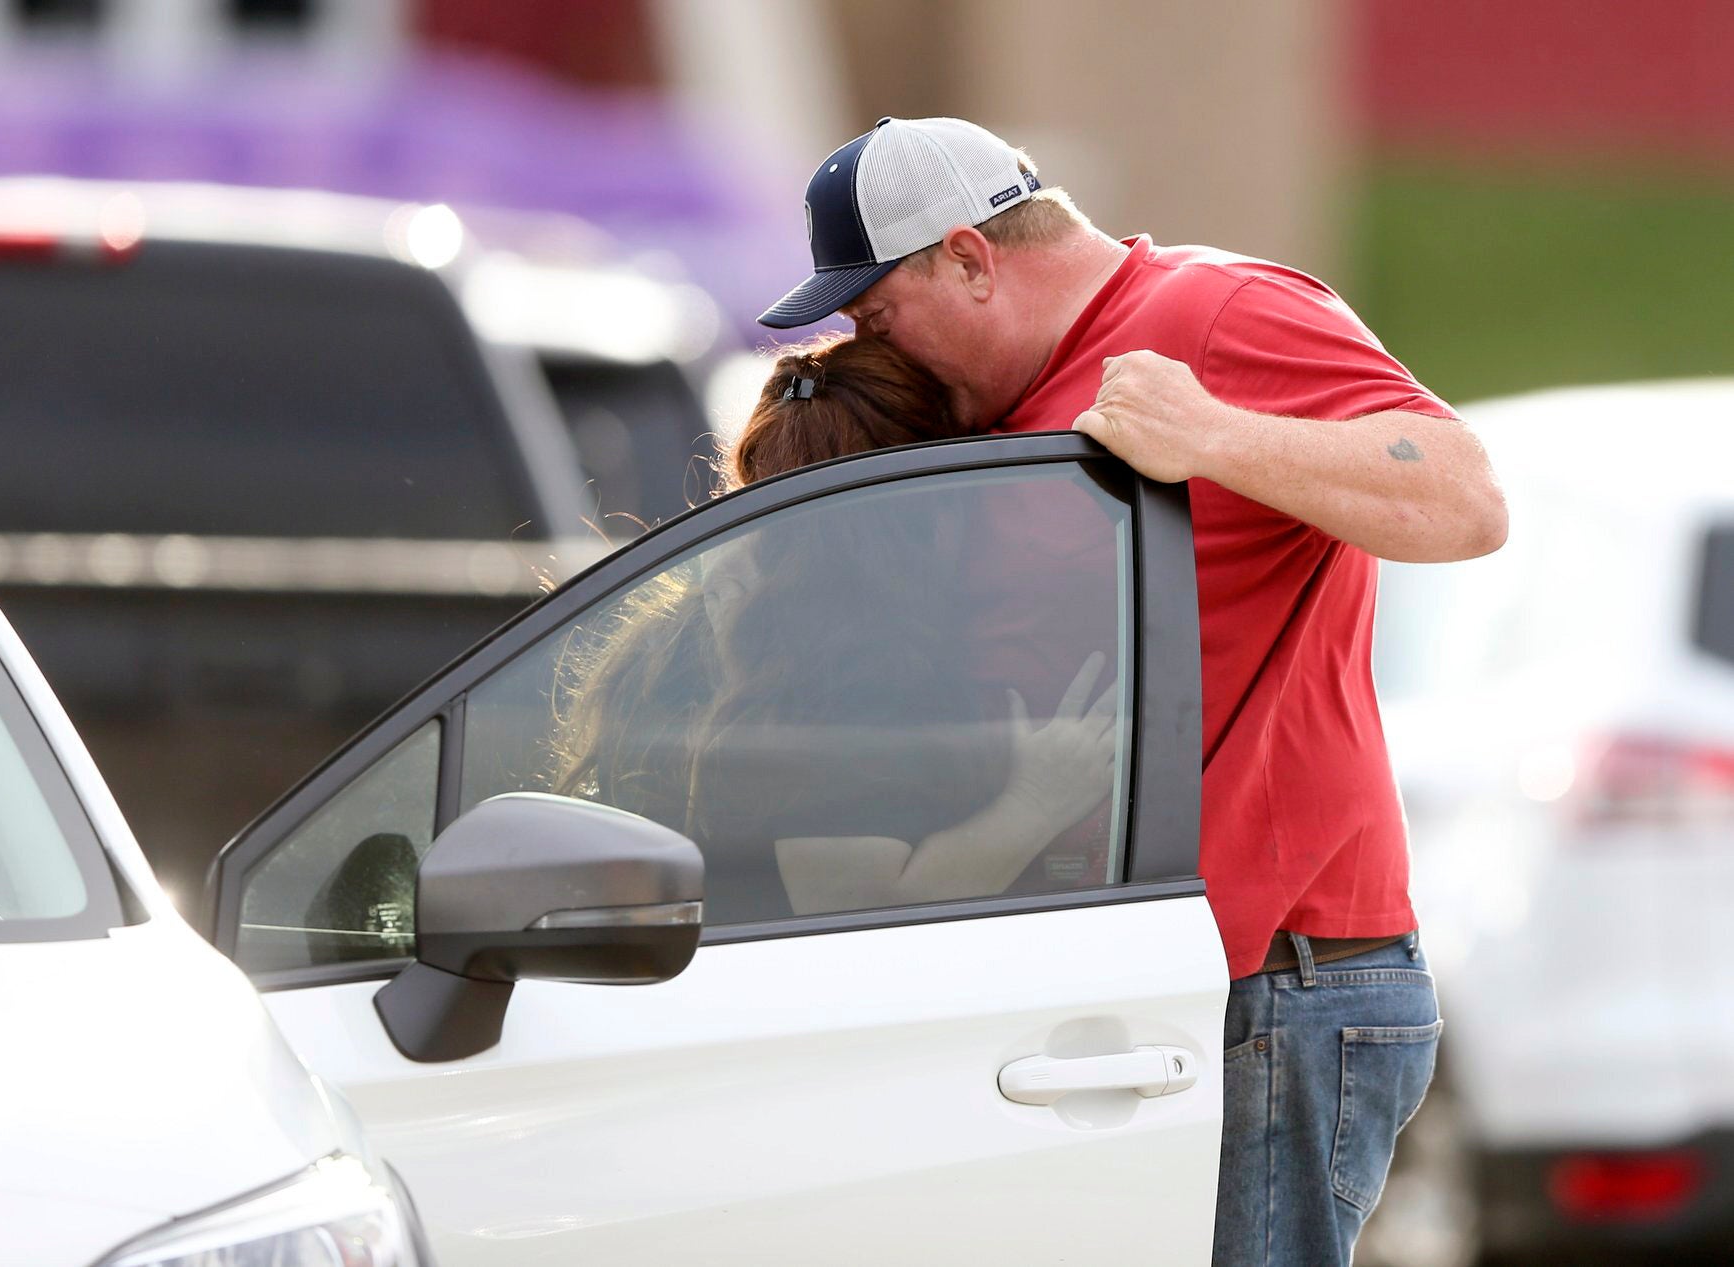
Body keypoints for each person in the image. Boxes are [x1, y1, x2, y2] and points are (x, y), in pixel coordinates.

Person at [758, 116, 1508, 1264]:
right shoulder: (999, 397)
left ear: (968, 258)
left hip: (1272, 986)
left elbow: (1464, 500)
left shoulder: (1219, 314)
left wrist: (1214, 434)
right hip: (1133, 991)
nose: (876, 345)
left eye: (875, 314)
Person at [549, 334, 1120, 920]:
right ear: (930, 504)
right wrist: (1034, 802)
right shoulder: (839, 675)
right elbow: (857, 906)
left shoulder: (701, 626)